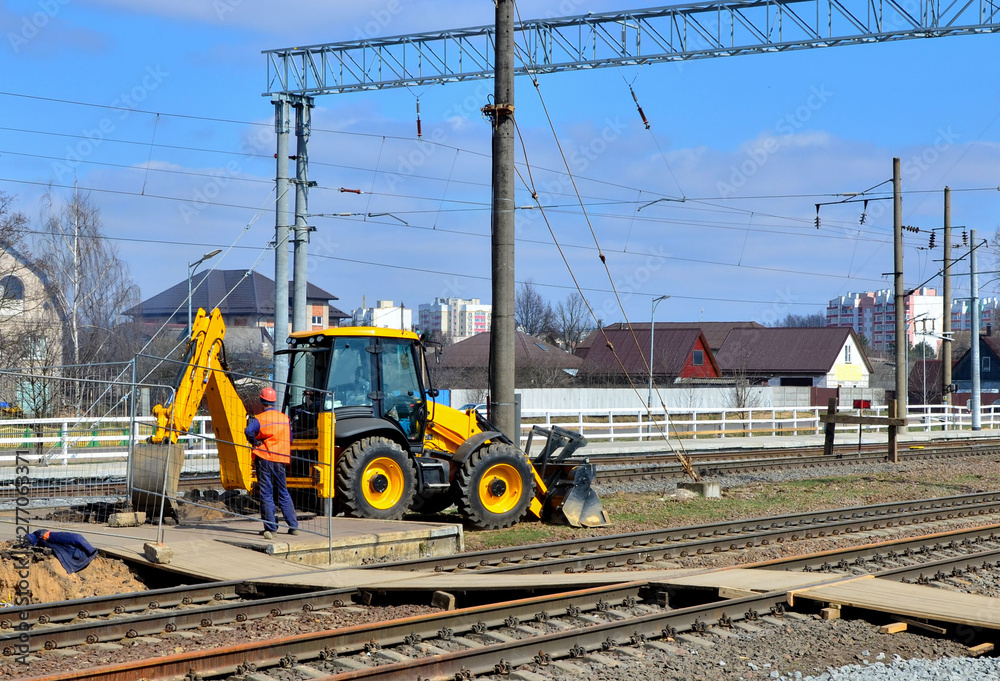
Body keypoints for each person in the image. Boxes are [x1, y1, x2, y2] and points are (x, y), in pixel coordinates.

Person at [245, 386, 299, 540]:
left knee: (266, 493)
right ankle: (293, 526)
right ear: (274, 401)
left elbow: (248, 431)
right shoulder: (284, 418)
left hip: (265, 458)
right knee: (283, 491)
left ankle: (271, 529)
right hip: (281, 459)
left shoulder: (260, 418)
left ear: (261, 401)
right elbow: (290, 439)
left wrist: (255, 442)